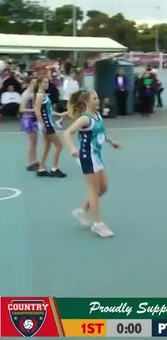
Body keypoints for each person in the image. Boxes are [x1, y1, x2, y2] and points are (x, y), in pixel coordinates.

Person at [63, 90, 120, 238]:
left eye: (98, 97)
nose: (98, 100)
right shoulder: (84, 119)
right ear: (86, 102)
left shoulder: (97, 115)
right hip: (87, 156)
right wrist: (71, 148)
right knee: (94, 190)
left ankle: (82, 211)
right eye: (95, 98)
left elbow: (100, 132)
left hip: (97, 156)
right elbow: (67, 133)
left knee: (103, 188)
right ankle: (98, 224)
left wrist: (110, 141)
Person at [33, 77, 67, 178]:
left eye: (47, 82)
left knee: (47, 146)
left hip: (48, 123)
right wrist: (42, 124)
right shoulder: (39, 95)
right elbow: (37, 111)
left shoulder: (44, 95)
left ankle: (41, 168)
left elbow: (48, 111)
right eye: (45, 82)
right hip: (47, 125)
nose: (47, 84)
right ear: (39, 83)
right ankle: (54, 168)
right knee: (59, 145)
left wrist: (60, 114)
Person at [19, 78, 40, 171]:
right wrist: (33, 110)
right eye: (35, 83)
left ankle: (34, 161)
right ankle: (30, 162)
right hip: (28, 119)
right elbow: (21, 109)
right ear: (31, 83)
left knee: (35, 141)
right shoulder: (26, 94)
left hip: (34, 119)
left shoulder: (34, 94)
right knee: (31, 142)